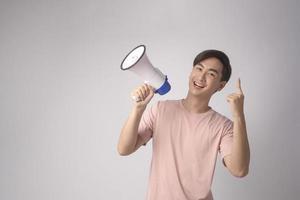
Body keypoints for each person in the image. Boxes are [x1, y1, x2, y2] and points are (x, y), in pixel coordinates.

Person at [117, 49, 250, 200]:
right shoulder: (161, 109)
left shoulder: (223, 126)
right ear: (191, 72)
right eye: (199, 68)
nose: (201, 76)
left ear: (221, 85)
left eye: (211, 74)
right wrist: (138, 109)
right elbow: (124, 149)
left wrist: (239, 116)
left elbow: (239, 170)